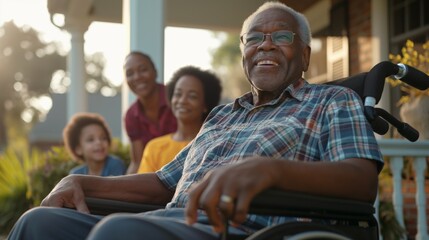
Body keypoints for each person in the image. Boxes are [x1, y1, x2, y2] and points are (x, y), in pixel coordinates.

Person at [8, 2, 383, 240]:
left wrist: (272, 170)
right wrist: (80, 180)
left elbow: (362, 181)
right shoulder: (221, 115)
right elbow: (161, 182)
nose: (265, 45)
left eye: (280, 36)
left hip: (247, 230)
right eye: (254, 38)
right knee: (39, 223)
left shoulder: (332, 101)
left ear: (304, 55)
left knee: (120, 232)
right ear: (243, 52)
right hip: (170, 219)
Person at [137, 66, 222, 173]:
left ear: (205, 104)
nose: (182, 101)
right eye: (178, 94)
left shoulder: (216, 145)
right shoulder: (154, 147)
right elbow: (144, 188)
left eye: (192, 96)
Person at [123, 51, 177, 174]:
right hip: (153, 179)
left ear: (155, 72)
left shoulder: (176, 98)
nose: (137, 77)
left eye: (143, 70)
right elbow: (137, 162)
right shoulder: (131, 116)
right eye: (130, 73)